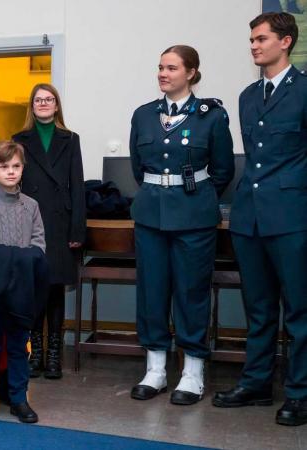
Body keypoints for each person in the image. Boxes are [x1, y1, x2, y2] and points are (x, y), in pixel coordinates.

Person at [213, 12, 307, 427]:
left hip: (292, 216)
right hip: (249, 218)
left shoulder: (305, 90)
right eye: (251, 39)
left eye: (261, 38)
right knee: (259, 308)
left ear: (285, 42)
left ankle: (300, 394)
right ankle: (256, 383)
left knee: (300, 310)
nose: (253, 45)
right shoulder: (248, 95)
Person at [128, 45, 234, 405]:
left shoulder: (211, 116)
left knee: (191, 292)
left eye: (171, 67)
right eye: (160, 67)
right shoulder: (143, 115)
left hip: (194, 216)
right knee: (152, 291)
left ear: (191, 73)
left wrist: (195, 198)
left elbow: (222, 170)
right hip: (150, 215)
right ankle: (155, 369)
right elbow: (137, 169)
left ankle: (192, 371)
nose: (162, 73)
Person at [13, 83, 86, 379]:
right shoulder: (19, 139)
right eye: (38, 100)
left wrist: (77, 229)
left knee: (55, 289)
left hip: (59, 222)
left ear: (56, 106)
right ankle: (36, 353)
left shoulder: (70, 139)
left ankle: (54, 355)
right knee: (33, 291)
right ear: (32, 106)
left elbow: (78, 186)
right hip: (29, 221)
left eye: (49, 99)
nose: (43, 103)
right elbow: (12, 182)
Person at [0, 141, 46, 424]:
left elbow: (39, 245)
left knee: (18, 344)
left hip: (22, 288)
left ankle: (18, 399)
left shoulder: (32, 206)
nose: (11, 172)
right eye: (4, 167)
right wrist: (11, 265)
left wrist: (20, 269)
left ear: (23, 169)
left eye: (16, 166)